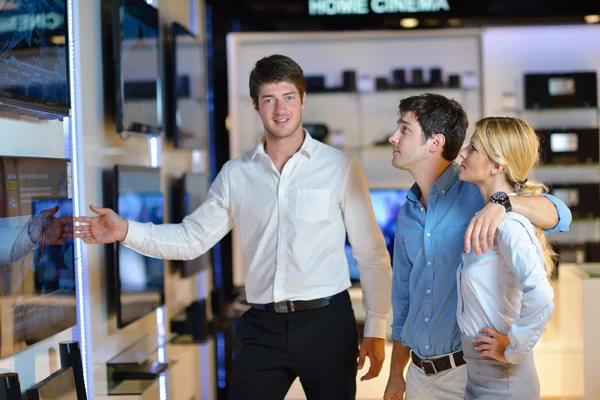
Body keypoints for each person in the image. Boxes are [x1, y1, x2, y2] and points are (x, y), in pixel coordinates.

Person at [67, 54, 392, 400]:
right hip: (262, 327)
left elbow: (371, 254)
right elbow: (192, 239)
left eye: (288, 98)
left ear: (302, 99)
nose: (280, 110)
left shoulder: (339, 166)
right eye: (269, 99)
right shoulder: (236, 174)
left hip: (327, 323)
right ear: (255, 105)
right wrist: (125, 231)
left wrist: (375, 325)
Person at [383, 94, 571, 400]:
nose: (393, 137)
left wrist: (504, 203)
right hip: (418, 375)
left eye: (404, 129)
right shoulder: (406, 213)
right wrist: (396, 374)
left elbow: (561, 214)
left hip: (465, 370)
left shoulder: (478, 191)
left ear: (434, 142)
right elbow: (404, 298)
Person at [456, 117, 555, 398]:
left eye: (472, 148)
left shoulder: (508, 224)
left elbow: (542, 296)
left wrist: (513, 349)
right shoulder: (486, 215)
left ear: (497, 165)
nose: (462, 153)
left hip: (504, 380)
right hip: (479, 372)